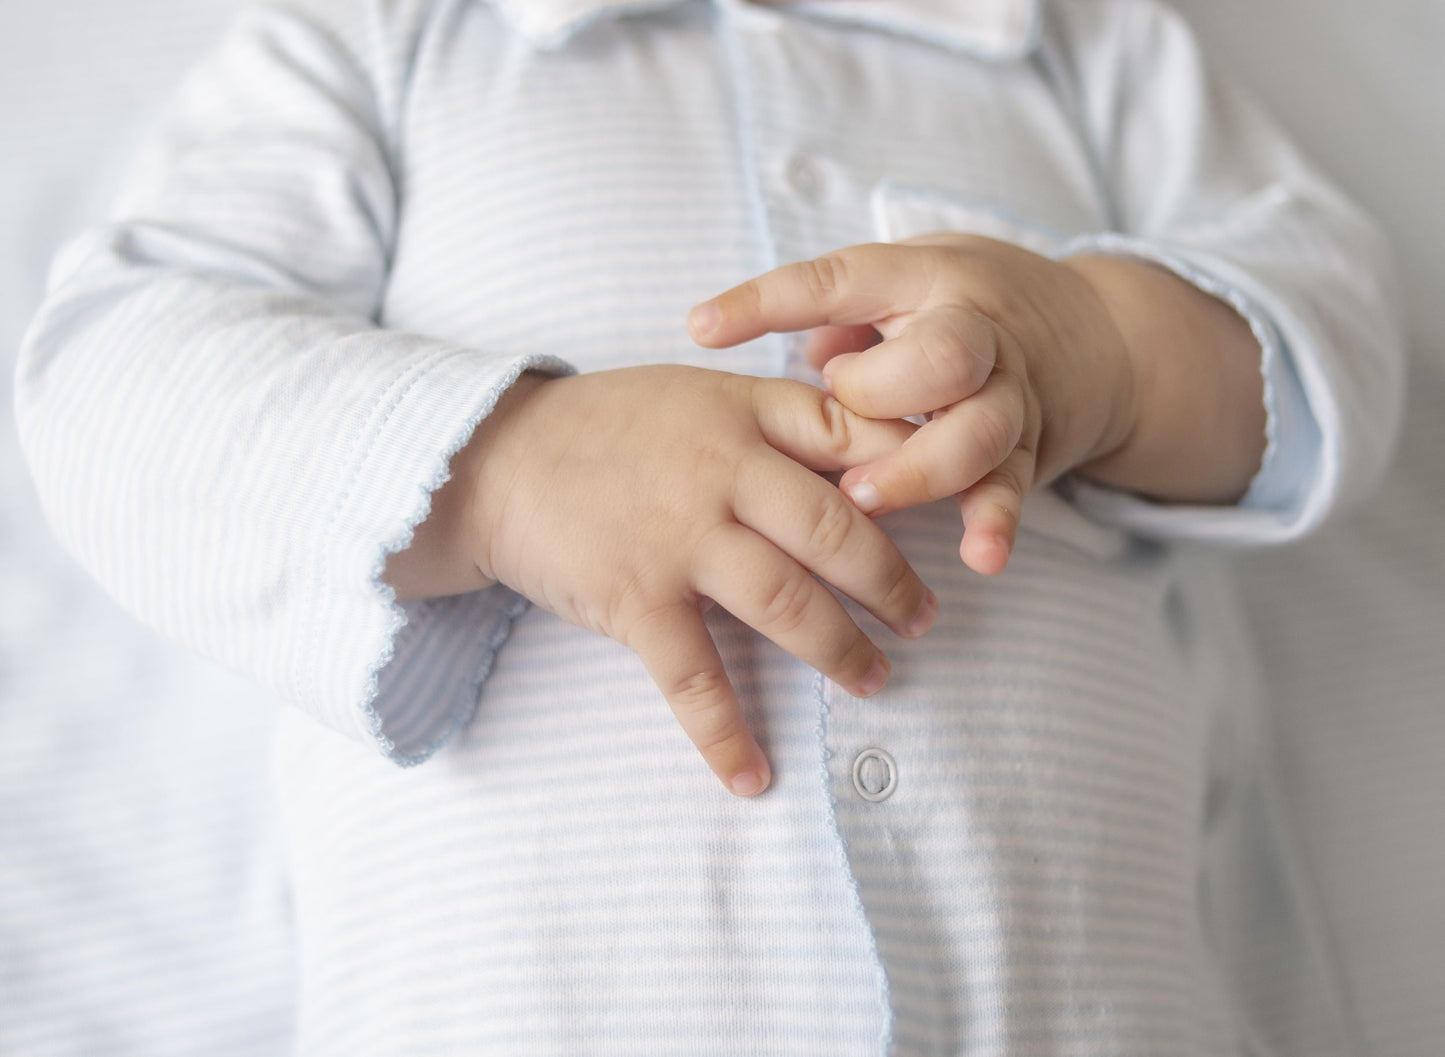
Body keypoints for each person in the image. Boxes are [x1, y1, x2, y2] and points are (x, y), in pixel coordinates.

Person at [14, 0, 1402, 1052]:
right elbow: (112, 370)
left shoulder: (1063, 39)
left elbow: (1321, 310)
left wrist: (1102, 343)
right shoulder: (388, 36)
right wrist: (503, 467)